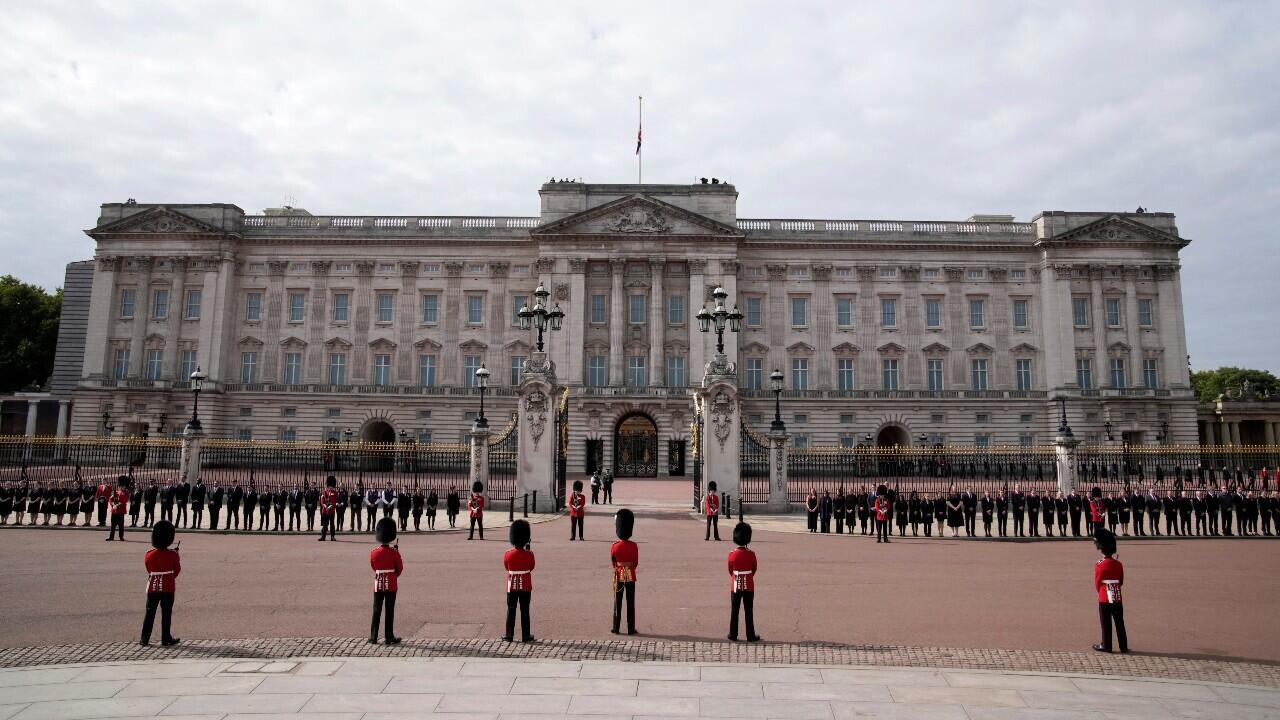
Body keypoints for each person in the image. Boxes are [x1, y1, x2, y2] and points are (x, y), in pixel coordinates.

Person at [140, 520, 181, 646]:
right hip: (168, 587)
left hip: (153, 587)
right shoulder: (173, 555)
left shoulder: (149, 554)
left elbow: (148, 569)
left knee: (150, 613)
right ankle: (165, 638)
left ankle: (144, 639)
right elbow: (177, 570)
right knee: (166, 613)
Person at [1092, 527, 1129, 654]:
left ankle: (1106, 645)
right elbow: (1121, 581)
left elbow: (1097, 583)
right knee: (1119, 622)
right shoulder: (1118, 564)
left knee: (1106, 623)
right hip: (1117, 596)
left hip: (1104, 596)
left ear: (1101, 548)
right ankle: (1123, 646)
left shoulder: (1100, 564)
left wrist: (1100, 592)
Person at [369, 517, 403, 645]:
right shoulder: (394, 553)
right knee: (389, 611)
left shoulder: (373, 553)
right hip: (391, 583)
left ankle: (373, 636)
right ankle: (389, 637)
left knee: (376, 610)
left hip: (378, 583)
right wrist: (393, 576)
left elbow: (373, 567)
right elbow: (399, 568)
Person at [502, 518, 535, 642]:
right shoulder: (529, 554)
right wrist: (527, 549)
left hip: (511, 585)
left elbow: (506, 567)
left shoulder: (508, 554)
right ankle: (525, 635)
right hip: (525, 584)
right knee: (525, 610)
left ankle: (509, 634)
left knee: (511, 609)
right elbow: (531, 567)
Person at [727, 521, 760, 642]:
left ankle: (733, 634)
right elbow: (754, 569)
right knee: (748, 610)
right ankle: (750, 635)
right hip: (749, 585)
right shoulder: (751, 554)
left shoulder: (732, 554)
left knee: (734, 610)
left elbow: (730, 570)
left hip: (735, 584)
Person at [611, 508, 638, 635]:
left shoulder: (615, 546)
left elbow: (613, 562)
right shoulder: (633, 546)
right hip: (631, 574)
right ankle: (630, 628)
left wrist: (618, 569)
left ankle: (616, 628)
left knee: (618, 601)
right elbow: (635, 562)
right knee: (630, 602)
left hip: (619, 573)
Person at [107, 476, 131, 541]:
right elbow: (110, 499)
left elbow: (124, 501)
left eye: (123, 486)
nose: (122, 487)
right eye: (121, 486)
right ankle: (111, 537)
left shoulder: (126, 493)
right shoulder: (116, 492)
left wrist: (116, 505)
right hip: (114, 511)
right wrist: (112, 504)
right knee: (113, 525)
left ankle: (121, 537)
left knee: (121, 525)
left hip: (121, 511)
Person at [318, 476, 339, 541]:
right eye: (329, 486)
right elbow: (322, 501)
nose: (330, 487)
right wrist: (325, 506)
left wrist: (329, 507)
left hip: (331, 511)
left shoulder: (335, 493)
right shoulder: (324, 492)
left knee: (332, 525)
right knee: (325, 525)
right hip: (325, 511)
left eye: (331, 486)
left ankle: (332, 537)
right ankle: (323, 537)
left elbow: (334, 502)